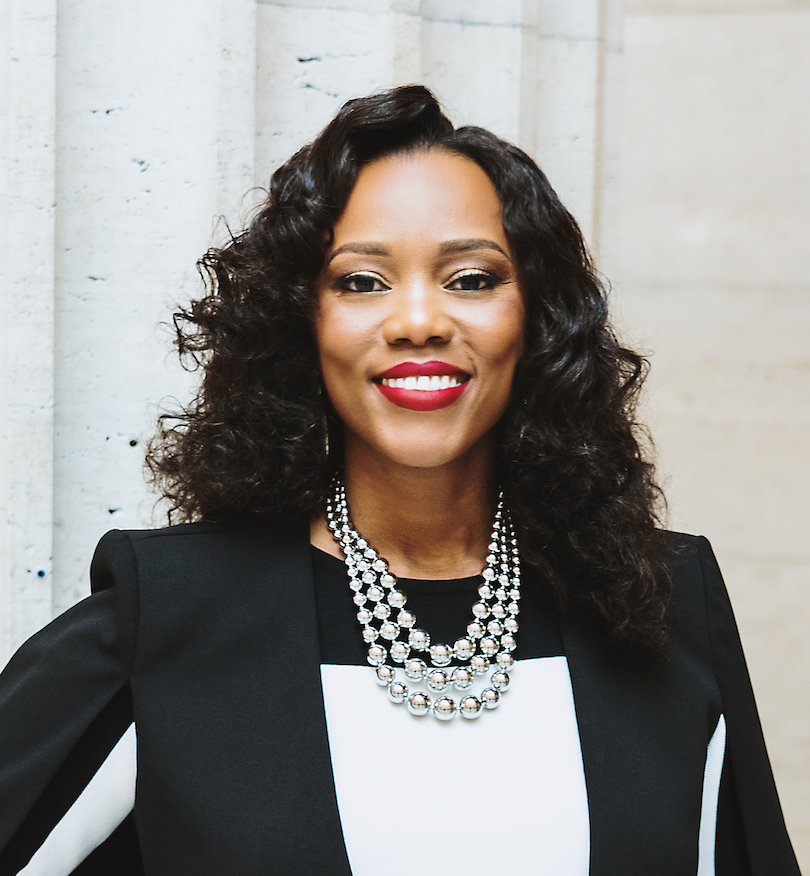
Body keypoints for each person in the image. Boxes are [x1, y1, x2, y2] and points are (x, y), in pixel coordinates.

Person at [0, 85, 800, 876]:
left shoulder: (665, 602)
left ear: (540, 320)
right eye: (361, 281)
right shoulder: (168, 617)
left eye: (472, 278)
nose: (419, 319)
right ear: (300, 322)